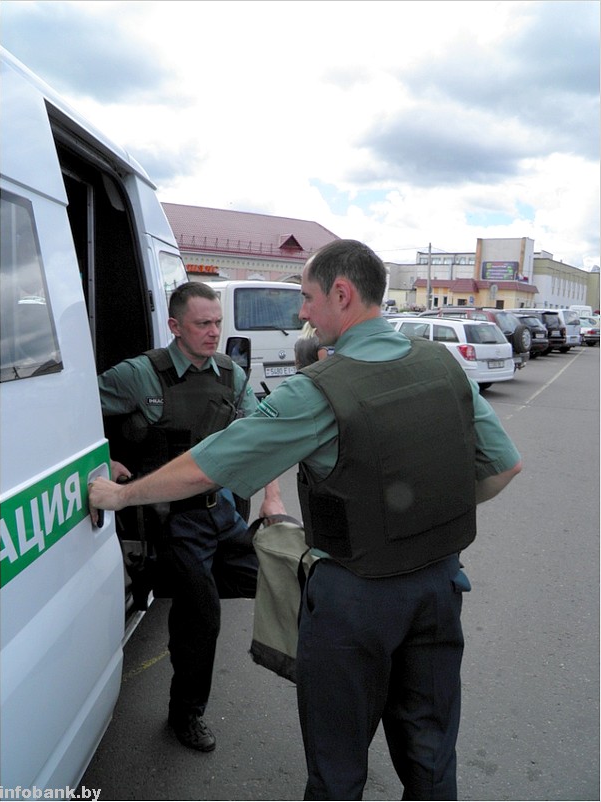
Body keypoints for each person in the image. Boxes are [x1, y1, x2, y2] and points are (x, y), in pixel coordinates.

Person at [90, 241, 522, 800]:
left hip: (355, 601)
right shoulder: (442, 364)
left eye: (308, 298)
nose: (302, 312)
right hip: (439, 589)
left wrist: (122, 498)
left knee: (338, 765)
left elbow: (209, 466)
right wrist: (424, 520)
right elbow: (505, 465)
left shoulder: (319, 390)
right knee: (431, 754)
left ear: (342, 295)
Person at [97, 281, 284, 753]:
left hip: (221, 513)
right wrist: (102, 461)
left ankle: (184, 586)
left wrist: (272, 497)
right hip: (172, 521)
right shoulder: (139, 375)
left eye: (218, 322)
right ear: (174, 326)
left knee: (280, 578)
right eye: (203, 324)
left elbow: (262, 436)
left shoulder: (229, 373)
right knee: (202, 618)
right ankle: (186, 714)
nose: (214, 332)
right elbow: (69, 411)